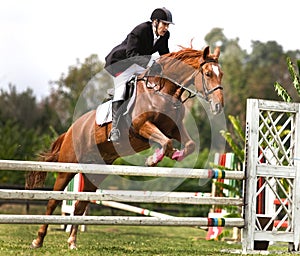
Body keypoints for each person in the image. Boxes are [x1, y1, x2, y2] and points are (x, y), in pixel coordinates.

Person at [104, 7, 174, 142]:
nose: (166, 28)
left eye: (168, 25)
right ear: (155, 22)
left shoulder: (165, 35)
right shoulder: (140, 30)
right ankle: (115, 128)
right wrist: (150, 64)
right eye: (164, 24)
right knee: (122, 88)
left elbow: (165, 54)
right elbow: (131, 54)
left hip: (137, 63)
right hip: (120, 63)